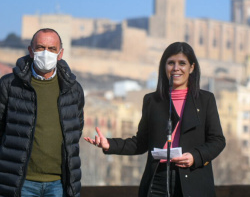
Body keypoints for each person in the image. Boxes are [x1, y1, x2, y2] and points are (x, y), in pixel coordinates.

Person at [84, 42, 226, 197]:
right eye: (171, 63)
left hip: (193, 179)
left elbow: (217, 140)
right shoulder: (152, 101)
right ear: (164, 67)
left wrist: (195, 156)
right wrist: (109, 144)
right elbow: (141, 143)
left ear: (192, 68)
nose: (176, 68)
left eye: (182, 63)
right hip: (157, 181)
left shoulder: (205, 100)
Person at [0, 28, 85, 197]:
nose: (46, 53)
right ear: (31, 51)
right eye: (40, 47)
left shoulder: (73, 90)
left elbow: (75, 130)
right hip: (20, 182)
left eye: (52, 49)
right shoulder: (9, 85)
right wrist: (14, 154)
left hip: (59, 184)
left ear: (60, 54)